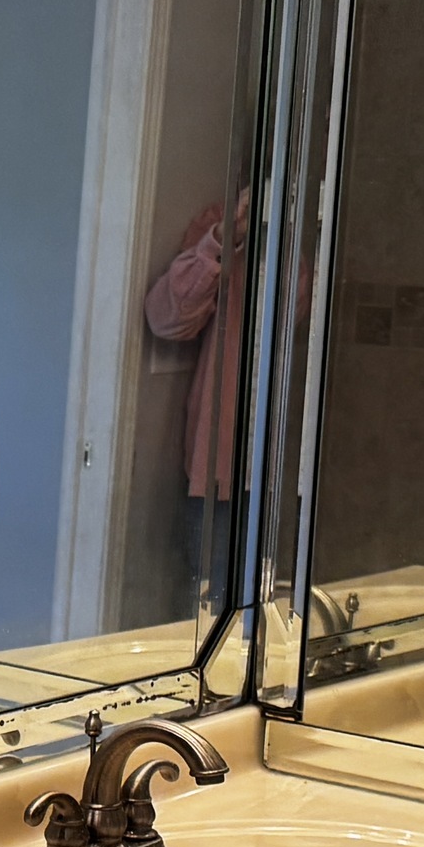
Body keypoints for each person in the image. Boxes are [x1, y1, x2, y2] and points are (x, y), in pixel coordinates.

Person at [143, 192, 248, 611]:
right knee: (202, 618)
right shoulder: (221, 226)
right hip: (221, 470)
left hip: (283, 470)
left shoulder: (302, 241)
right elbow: (166, 321)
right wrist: (226, 237)